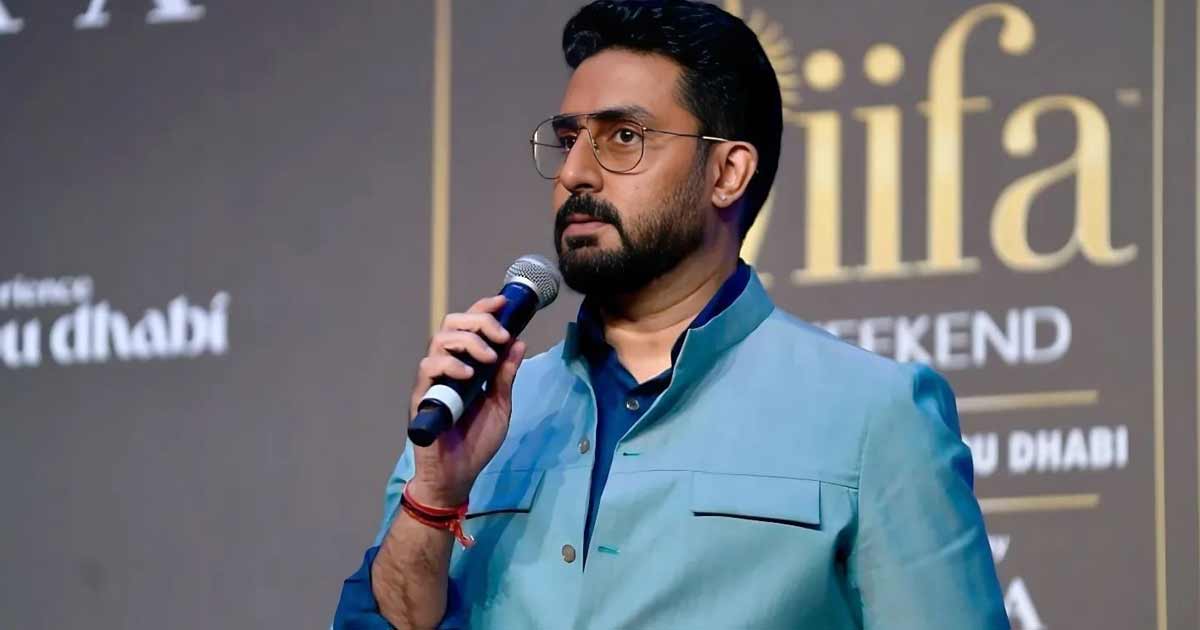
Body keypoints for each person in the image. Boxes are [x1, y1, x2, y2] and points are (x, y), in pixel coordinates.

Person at [334, 1, 1008, 628]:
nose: (575, 173)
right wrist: (433, 495)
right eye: (568, 140)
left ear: (728, 173)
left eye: (624, 137)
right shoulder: (471, 409)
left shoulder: (876, 414)